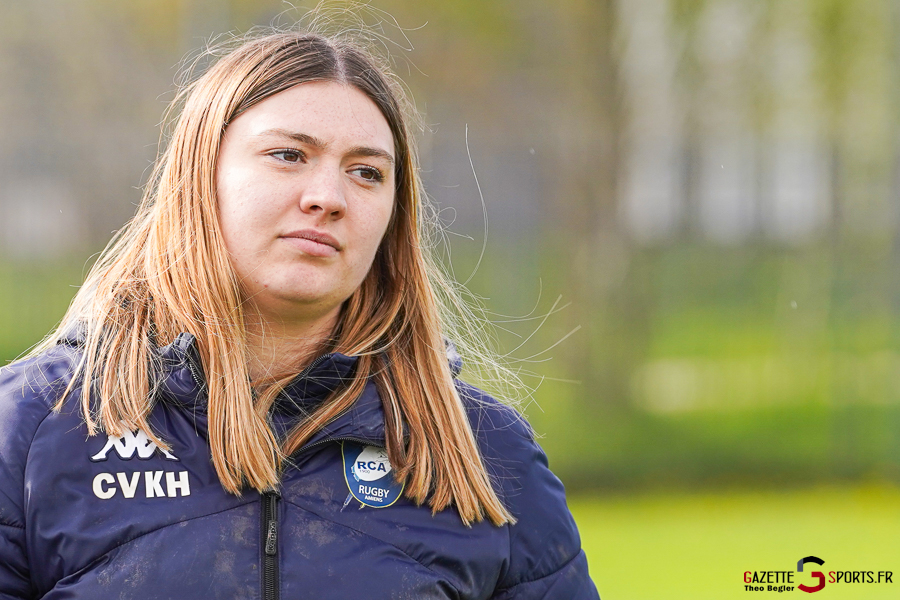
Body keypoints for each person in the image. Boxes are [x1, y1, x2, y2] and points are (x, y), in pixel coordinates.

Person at [0, 23, 600, 600]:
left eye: (367, 173)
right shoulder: (32, 431)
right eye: (289, 155)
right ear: (198, 178)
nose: (328, 197)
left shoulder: (483, 453)